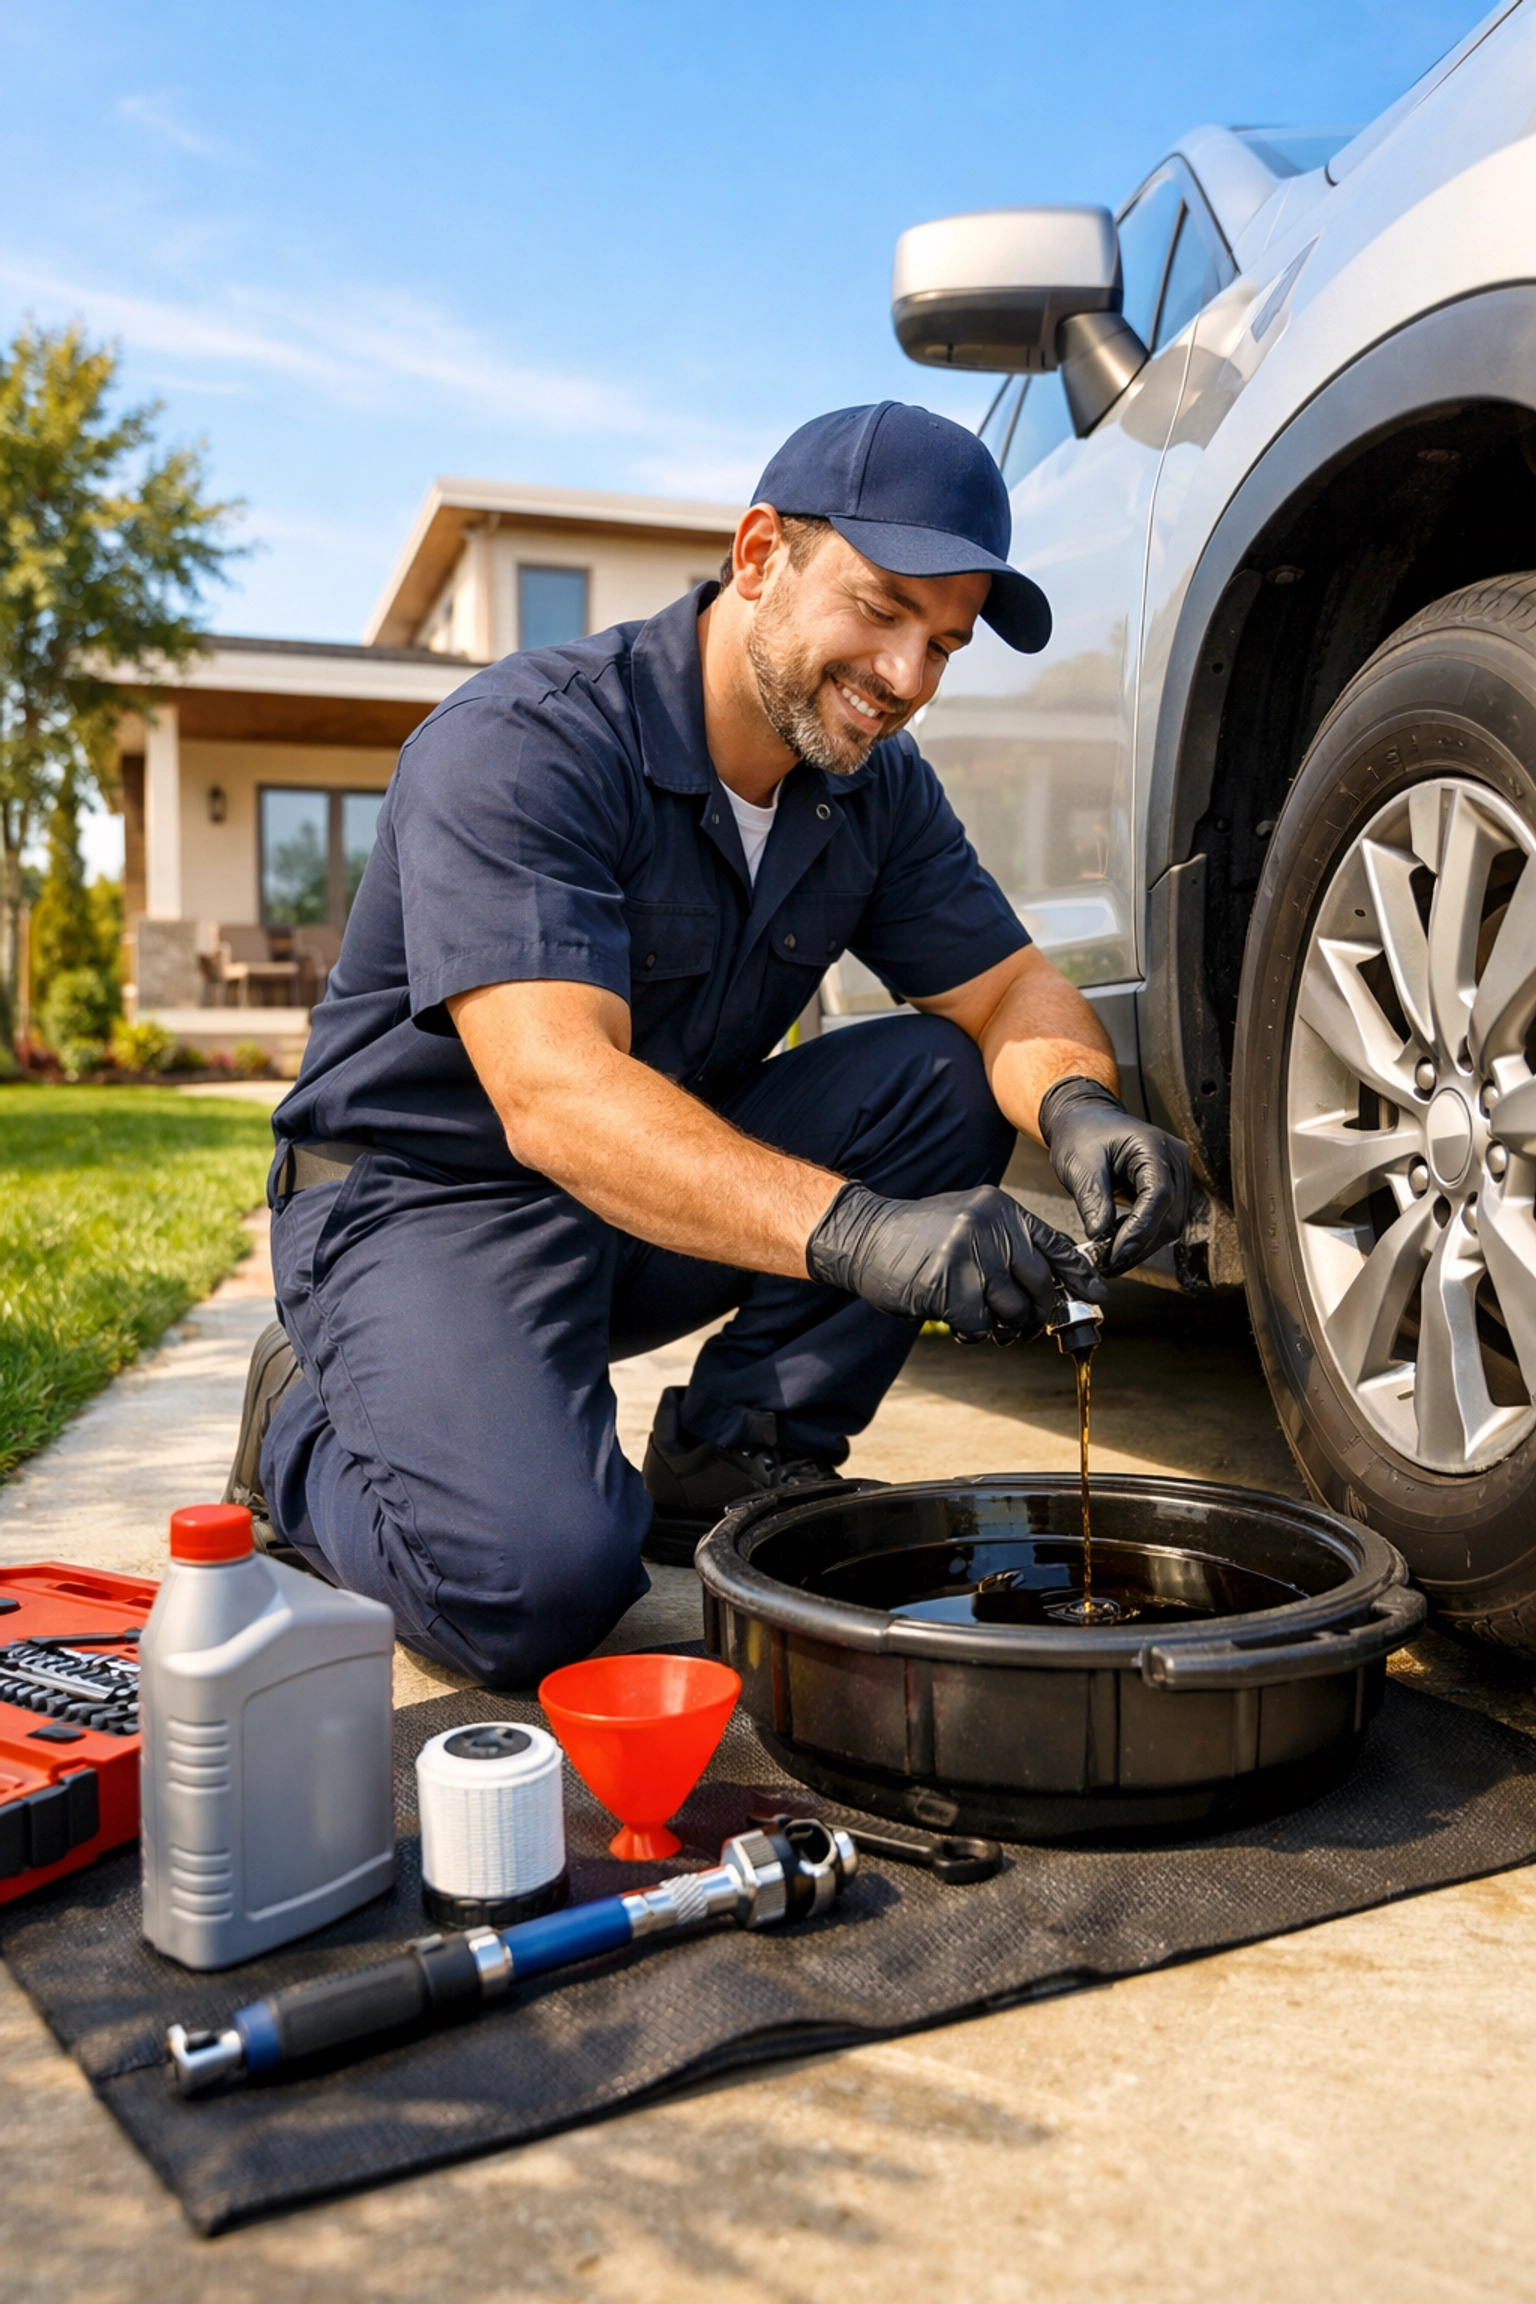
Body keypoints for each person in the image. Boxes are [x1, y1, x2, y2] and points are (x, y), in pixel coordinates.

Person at [228, 401, 1190, 1688]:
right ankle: (300, 1421)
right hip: (426, 1204)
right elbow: (558, 1098)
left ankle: (735, 1450)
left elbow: (1012, 990)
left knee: (946, 1078)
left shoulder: (870, 788)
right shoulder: (529, 745)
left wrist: (1080, 1109)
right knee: (535, 1588)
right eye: (881, 608)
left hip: (643, 1202)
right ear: (757, 558)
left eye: (943, 643)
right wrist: (867, 1234)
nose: (907, 677)